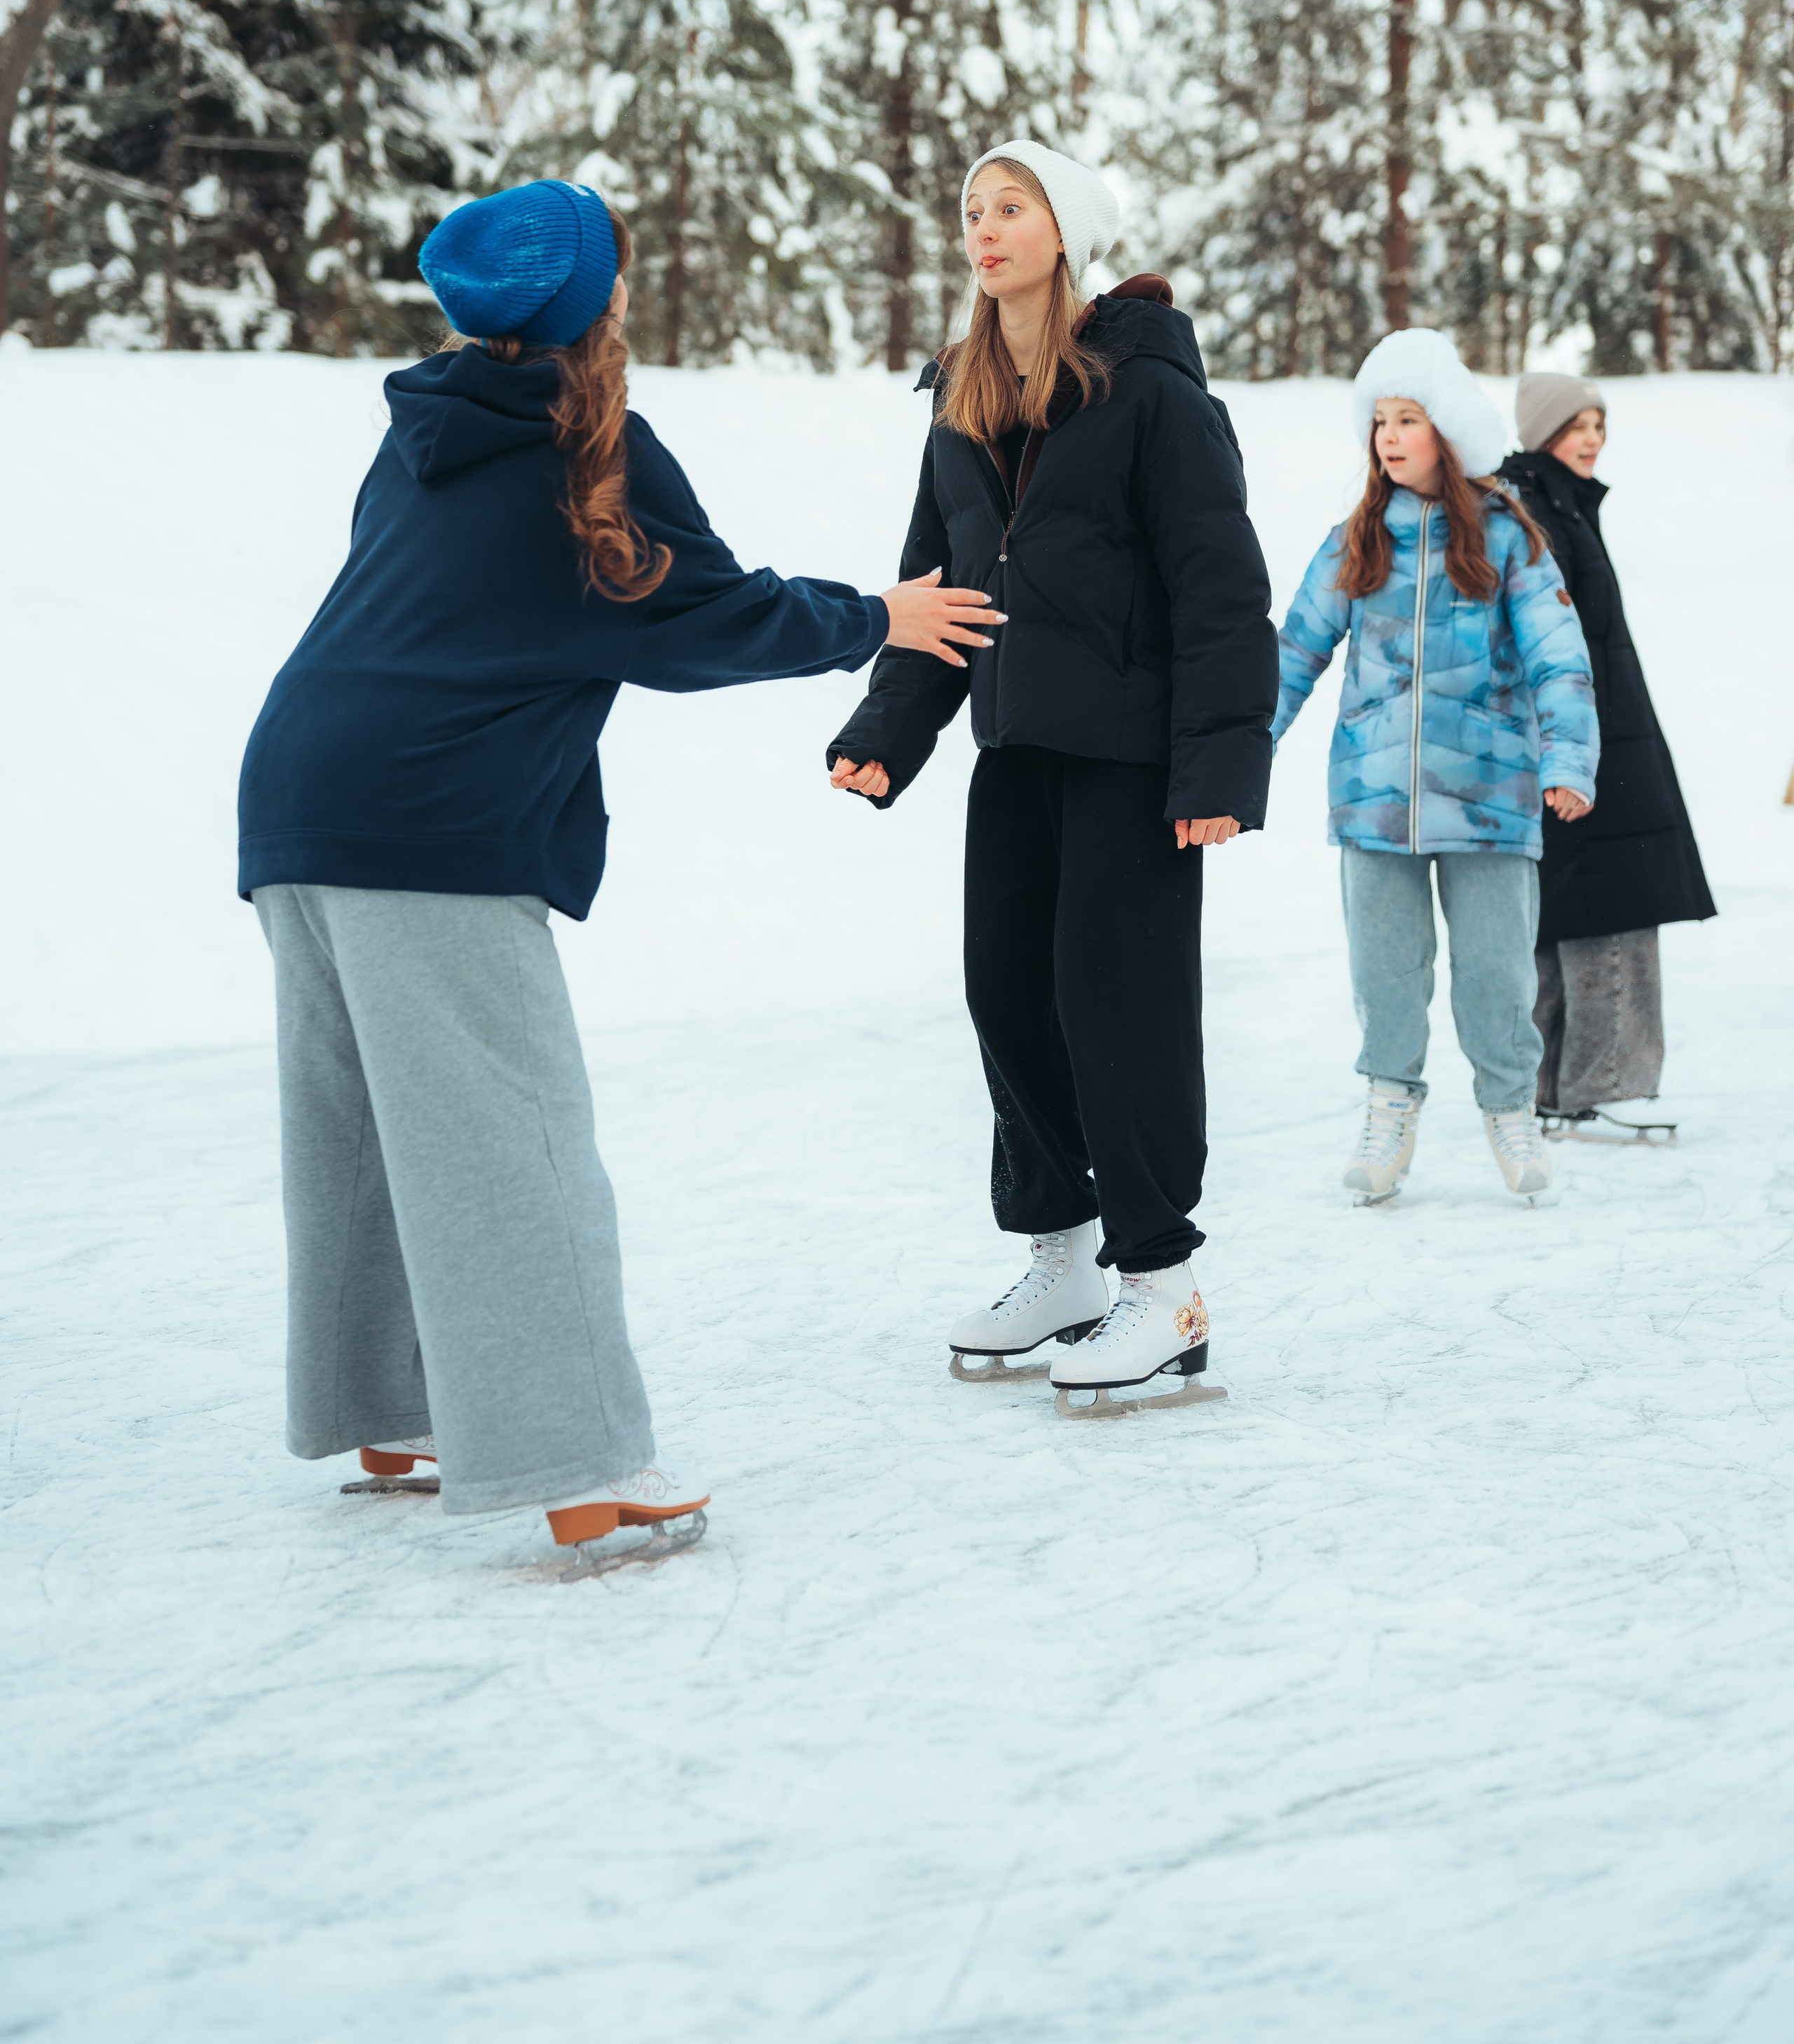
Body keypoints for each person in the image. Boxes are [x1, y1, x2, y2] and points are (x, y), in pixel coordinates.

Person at [238, 179, 992, 1555]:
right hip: (427, 826)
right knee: (510, 1137)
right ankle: (576, 1462)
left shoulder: (420, 439)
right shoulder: (587, 451)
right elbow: (698, 618)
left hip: (297, 798)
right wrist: (878, 614)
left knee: (361, 1135)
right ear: (597, 305)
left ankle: (388, 1409)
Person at [826, 139, 1277, 1411]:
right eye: (972, 208)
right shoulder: (962, 399)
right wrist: (888, 728)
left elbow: (1220, 588)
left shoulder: (1150, 394)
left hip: (1135, 758)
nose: (984, 227)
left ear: (1067, 229)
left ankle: (1164, 1285)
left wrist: (1219, 762)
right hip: (1015, 748)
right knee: (1008, 993)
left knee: (1117, 1006)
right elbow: (941, 594)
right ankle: (1063, 1259)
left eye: (1011, 207)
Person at [1273, 329, 1600, 1206]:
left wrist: (1568, 759)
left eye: (1406, 418)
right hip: (1373, 804)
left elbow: (1558, 657)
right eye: (1378, 419)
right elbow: (1293, 651)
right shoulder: (1357, 538)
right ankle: (1389, 1109)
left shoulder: (1504, 536)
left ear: (1446, 433)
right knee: (1384, 971)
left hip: (1490, 800)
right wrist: (1235, 751)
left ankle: (1509, 1110)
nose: (1387, 435)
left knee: (1495, 971)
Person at [1498, 373, 1713, 1138]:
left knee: (1571, 910)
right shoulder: (1534, 509)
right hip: (1580, 743)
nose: (1590, 437)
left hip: (1591, 738)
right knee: (1604, 907)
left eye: (1598, 423)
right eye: (1575, 424)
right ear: (1540, 431)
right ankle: (1600, 1084)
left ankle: (1554, 1086)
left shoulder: (1557, 503)